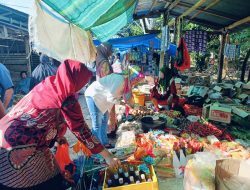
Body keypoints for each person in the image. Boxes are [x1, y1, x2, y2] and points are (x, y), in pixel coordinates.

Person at [0, 60, 120, 190]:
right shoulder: (66, 99)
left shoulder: (49, 84)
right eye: (83, 83)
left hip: (4, 135)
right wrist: (108, 157)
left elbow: (43, 116)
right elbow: (81, 130)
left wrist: (56, 136)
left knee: (54, 171)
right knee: (49, 180)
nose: (83, 86)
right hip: (18, 149)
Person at [85, 66, 143, 148]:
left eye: (138, 81)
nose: (136, 82)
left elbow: (127, 98)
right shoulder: (120, 80)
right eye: (136, 80)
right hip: (93, 96)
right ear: (132, 76)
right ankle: (95, 150)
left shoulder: (127, 82)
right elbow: (111, 98)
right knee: (97, 125)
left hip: (103, 99)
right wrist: (123, 104)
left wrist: (135, 106)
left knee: (104, 121)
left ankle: (104, 144)